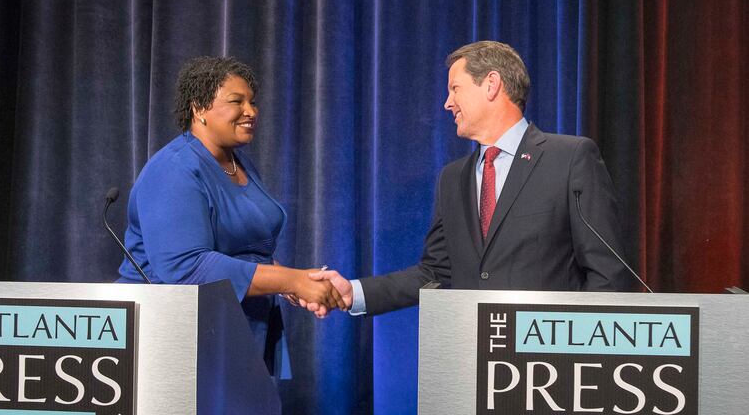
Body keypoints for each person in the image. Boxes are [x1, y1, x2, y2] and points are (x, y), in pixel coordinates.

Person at [308, 40, 633, 317]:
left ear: (491, 84)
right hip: (475, 360)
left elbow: (607, 272)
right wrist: (353, 292)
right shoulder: (453, 178)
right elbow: (434, 274)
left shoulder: (570, 158)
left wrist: (582, 349)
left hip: (550, 367)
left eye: (455, 88)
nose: (447, 103)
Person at [117, 56, 346, 376]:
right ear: (198, 108)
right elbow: (186, 268)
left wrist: (295, 283)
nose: (251, 111)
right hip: (179, 337)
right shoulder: (174, 169)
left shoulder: (236, 163)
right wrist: (292, 279)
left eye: (252, 102)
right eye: (237, 101)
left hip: (240, 325)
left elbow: (242, 249)